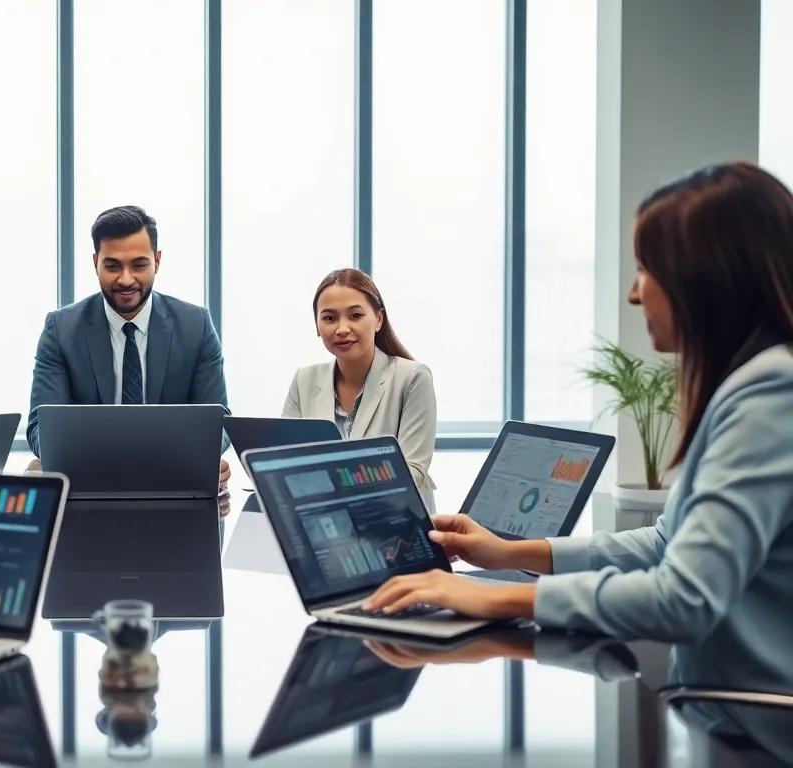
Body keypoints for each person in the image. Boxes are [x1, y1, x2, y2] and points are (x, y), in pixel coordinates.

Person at [362, 162, 793, 693]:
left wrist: (495, 596)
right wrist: (508, 553)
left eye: (644, 270)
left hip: (750, 727)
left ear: (703, 279)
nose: (634, 295)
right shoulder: (756, 384)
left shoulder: (772, 395)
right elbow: (667, 543)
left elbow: (685, 599)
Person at [27, 205, 232, 485]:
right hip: (87, 494)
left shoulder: (196, 325)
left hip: (174, 491)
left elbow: (218, 423)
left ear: (157, 262)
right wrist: (55, 454)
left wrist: (200, 455)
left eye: (139, 265)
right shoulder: (60, 330)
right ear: (95, 262)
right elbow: (40, 426)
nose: (125, 279)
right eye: (112, 266)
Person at [282, 269, 437, 512]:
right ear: (317, 326)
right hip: (326, 523)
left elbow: (412, 471)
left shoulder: (412, 377)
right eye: (329, 318)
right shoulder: (304, 379)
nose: (342, 329)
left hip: (395, 522)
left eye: (355, 315)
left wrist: (334, 485)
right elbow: (283, 462)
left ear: (378, 319)